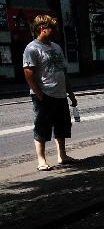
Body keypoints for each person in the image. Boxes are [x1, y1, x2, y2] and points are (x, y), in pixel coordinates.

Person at [22, 15, 79, 171]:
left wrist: (71, 94)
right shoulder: (32, 48)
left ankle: (62, 156)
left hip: (60, 94)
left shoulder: (56, 47)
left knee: (62, 126)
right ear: (42, 29)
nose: (55, 31)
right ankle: (41, 160)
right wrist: (39, 95)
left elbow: (63, 71)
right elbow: (28, 73)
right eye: (52, 28)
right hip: (45, 94)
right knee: (42, 127)